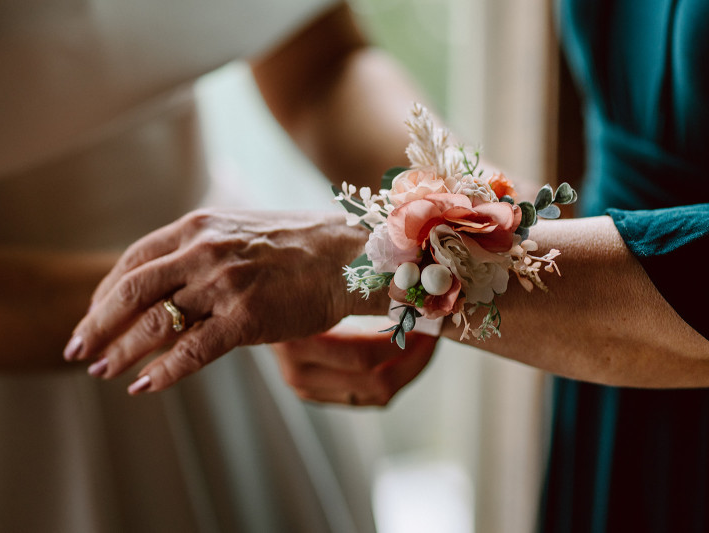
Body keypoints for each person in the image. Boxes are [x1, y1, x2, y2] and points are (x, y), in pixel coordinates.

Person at [69, 0, 709, 531]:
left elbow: (317, 61)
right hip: (609, 341)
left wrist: (387, 263)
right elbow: (320, 66)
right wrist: (462, 235)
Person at [0, 1, 441, 531]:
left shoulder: (245, 282)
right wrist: (213, 295)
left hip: (242, 319)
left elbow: (320, 63)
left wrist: (451, 202)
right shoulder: (237, 288)